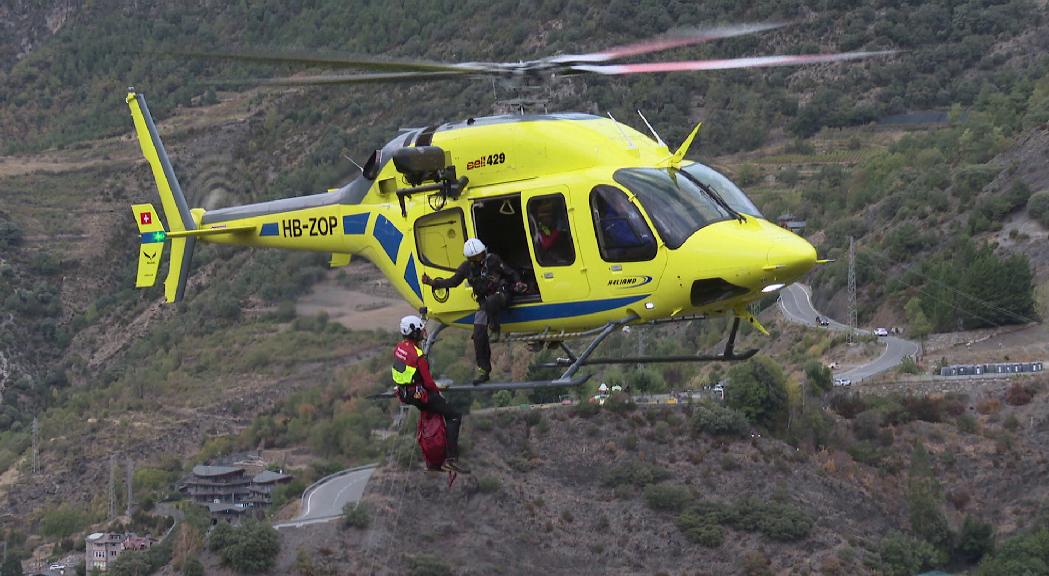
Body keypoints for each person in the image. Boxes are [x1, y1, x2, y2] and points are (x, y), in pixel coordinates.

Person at [421, 238, 525, 384]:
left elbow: (510, 273)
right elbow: (452, 282)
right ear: (470, 259)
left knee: (491, 302)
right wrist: (432, 283)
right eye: (475, 257)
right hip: (484, 302)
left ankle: (495, 328)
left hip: (502, 295)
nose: (479, 259)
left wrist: (518, 283)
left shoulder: (493, 260)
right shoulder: (466, 268)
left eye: (480, 255)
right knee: (478, 335)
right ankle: (484, 370)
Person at [392, 315, 468, 473]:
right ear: (414, 333)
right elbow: (428, 383)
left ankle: (434, 462)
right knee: (454, 416)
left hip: (404, 393)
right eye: (420, 330)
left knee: (433, 417)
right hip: (418, 394)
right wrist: (439, 391)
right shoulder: (418, 356)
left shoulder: (400, 348)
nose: (422, 333)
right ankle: (451, 459)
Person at [529, 198, 573, 265]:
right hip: (547, 254)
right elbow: (546, 244)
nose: (549, 218)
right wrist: (557, 231)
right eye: (546, 216)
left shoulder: (546, 225)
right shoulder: (537, 227)